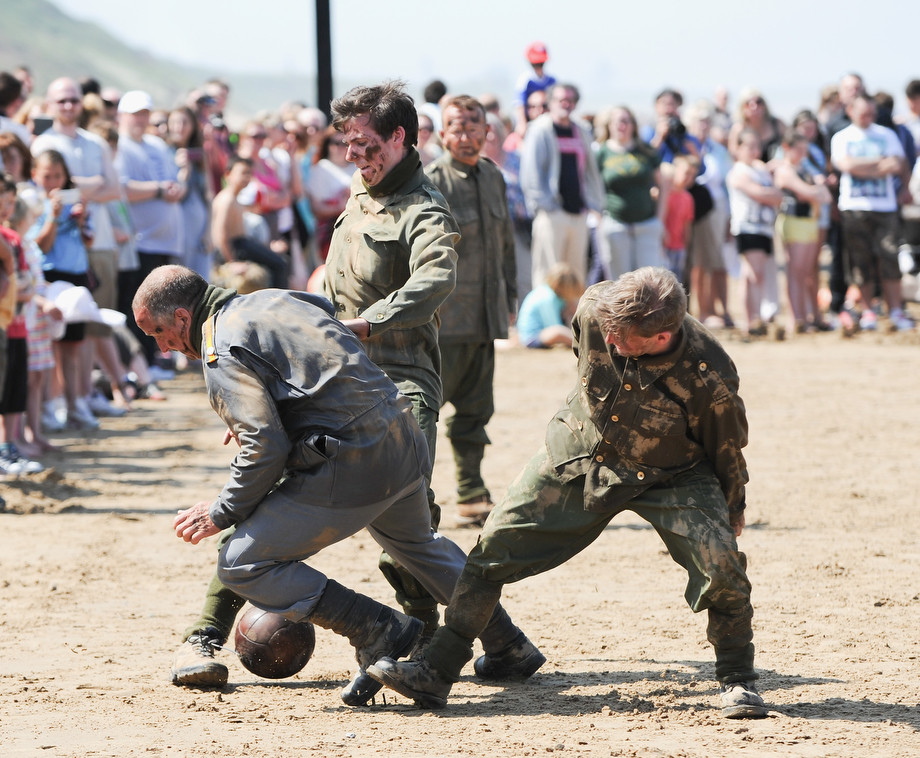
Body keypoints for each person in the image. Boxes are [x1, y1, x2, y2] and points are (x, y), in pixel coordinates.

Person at [369, 267, 767, 720]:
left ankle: (738, 678)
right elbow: (585, 355)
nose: (612, 342)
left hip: (672, 472)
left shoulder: (707, 372)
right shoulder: (597, 310)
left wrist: (733, 507)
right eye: (609, 332)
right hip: (582, 449)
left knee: (721, 561)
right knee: (493, 546)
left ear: (662, 336)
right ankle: (436, 672)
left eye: (625, 339)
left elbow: (726, 444)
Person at [171, 81, 460, 707]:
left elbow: (439, 276)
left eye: (366, 145)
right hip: (324, 382)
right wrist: (263, 392)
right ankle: (205, 633)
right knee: (274, 499)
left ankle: (430, 647)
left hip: (398, 379)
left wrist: (371, 321)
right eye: (348, 144)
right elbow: (327, 277)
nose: (354, 156)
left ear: (400, 138)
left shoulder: (424, 208)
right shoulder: (360, 193)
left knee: (408, 532)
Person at [135, 265, 533, 705]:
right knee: (419, 545)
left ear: (182, 318)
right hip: (400, 432)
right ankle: (509, 645)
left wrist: (219, 512)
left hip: (354, 459)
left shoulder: (218, 346)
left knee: (240, 561)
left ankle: (381, 629)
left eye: (157, 332)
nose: (163, 345)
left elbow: (264, 447)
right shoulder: (278, 297)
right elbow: (324, 334)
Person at [424, 95, 517, 527]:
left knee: (477, 413)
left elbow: (506, 246)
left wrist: (509, 300)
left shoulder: (494, 177)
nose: (464, 136)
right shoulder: (430, 180)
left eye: (472, 128)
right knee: (422, 414)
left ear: (486, 133)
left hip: (484, 318)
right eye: (455, 128)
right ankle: (412, 501)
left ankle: (470, 494)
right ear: (443, 134)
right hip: (445, 321)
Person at [112, 90, 184, 365]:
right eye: (135, 113)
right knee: (139, 306)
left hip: (163, 240)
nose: (141, 119)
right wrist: (158, 190)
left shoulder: (156, 145)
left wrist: (174, 188)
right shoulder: (120, 146)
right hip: (139, 241)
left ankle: (153, 357)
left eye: (144, 113)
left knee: (158, 306)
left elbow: (172, 181)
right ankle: (142, 360)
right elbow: (122, 187)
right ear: (122, 115)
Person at [830, 93, 912, 331]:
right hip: (854, 207)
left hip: (884, 206)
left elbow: (897, 164)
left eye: (871, 113)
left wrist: (862, 166)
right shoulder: (842, 137)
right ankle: (868, 311)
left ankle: (895, 309)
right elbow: (846, 165)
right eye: (864, 112)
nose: (868, 117)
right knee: (860, 260)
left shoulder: (886, 135)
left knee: (890, 256)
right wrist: (878, 164)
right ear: (851, 112)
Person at [520, 83, 604, 288]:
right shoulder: (540, 130)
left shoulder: (581, 131)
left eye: (570, 100)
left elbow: (590, 171)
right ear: (551, 102)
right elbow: (531, 173)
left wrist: (594, 203)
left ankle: (571, 319)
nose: (565, 104)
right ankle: (547, 320)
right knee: (548, 274)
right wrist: (546, 204)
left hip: (579, 213)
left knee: (576, 276)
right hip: (552, 213)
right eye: (560, 100)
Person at [594, 105, 666, 281]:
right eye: (616, 121)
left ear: (633, 125)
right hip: (615, 224)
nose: (621, 125)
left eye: (626, 121)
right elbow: (593, 188)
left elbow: (664, 185)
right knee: (620, 283)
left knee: (649, 282)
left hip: (646, 224)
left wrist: (660, 219)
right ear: (609, 125)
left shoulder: (646, 151)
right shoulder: (601, 153)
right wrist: (599, 220)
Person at [773, 130, 833, 333]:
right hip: (794, 222)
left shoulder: (804, 169)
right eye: (798, 149)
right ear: (787, 148)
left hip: (808, 221)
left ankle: (805, 316)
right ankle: (796, 318)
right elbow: (808, 191)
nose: (802, 153)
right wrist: (813, 191)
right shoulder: (785, 169)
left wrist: (813, 192)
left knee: (806, 272)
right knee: (795, 272)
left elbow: (823, 195)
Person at [726, 130, 783, 338]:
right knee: (752, 273)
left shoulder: (758, 169)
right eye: (748, 146)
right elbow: (760, 193)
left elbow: (775, 195)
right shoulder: (738, 171)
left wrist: (771, 194)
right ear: (738, 148)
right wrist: (770, 194)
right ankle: (750, 320)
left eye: (756, 146)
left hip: (764, 228)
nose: (753, 150)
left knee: (757, 274)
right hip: (748, 227)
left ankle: (754, 318)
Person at [210, 156, 289, 290]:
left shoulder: (235, 198)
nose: (247, 177)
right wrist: (232, 262)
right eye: (243, 173)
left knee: (280, 262)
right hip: (237, 247)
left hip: (242, 244)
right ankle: (278, 305)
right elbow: (219, 234)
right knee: (279, 265)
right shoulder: (226, 199)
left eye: (249, 173)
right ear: (228, 174)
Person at [303, 127, 356, 262]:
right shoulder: (320, 169)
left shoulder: (358, 167)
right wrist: (341, 207)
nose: (339, 147)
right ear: (328, 145)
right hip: (330, 230)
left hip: (356, 229)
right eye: (335, 143)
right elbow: (316, 209)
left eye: (344, 143)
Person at [515, 261, 583, 348]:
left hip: (533, 335)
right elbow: (553, 324)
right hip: (532, 338)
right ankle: (581, 343)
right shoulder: (548, 297)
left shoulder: (554, 295)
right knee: (559, 331)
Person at [661, 154, 700, 282]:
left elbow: (687, 225)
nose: (688, 178)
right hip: (663, 247)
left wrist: (686, 246)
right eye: (686, 172)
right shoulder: (664, 194)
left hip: (679, 248)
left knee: (676, 283)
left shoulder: (688, 198)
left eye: (692, 175)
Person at [512, 42, 556, 140]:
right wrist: (522, 123)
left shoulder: (551, 80)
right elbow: (519, 104)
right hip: (529, 119)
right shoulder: (525, 80)